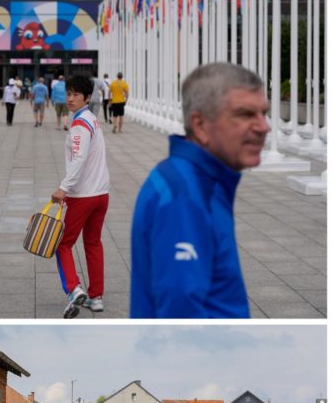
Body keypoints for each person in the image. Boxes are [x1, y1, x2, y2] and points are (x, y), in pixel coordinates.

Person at [130, 63, 267, 318]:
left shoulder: (193, 181)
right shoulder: (185, 197)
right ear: (201, 125)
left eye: (263, 113)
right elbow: (181, 321)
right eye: (246, 114)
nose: (263, 127)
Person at [52, 75, 110, 319]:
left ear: (87, 97)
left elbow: (79, 159)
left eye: (76, 94)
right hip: (101, 194)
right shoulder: (91, 119)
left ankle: (74, 289)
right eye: (69, 93)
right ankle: (96, 297)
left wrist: (64, 188)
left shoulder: (79, 125)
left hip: (83, 195)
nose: (71, 99)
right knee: (93, 243)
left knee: (63, 244)